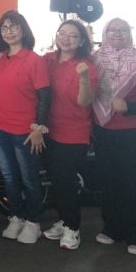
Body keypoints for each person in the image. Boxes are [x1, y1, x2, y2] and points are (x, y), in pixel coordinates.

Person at [92, 18, 136, 256]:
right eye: (112, 30)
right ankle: (113, 228)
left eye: (122, 30)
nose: (117, 34)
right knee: (109, 182)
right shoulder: (95, 60)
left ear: (129, 34)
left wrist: (128, 107)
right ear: (105, 33)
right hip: (104, 130)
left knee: (135, 183)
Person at [0, 10, 51, 244]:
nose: (9, 32)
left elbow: (45, 96)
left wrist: (39, 127)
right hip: (0, 127)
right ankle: (16, 216)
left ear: (23, 30)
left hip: (25, 131)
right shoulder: (1, 59)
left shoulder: (34, 60)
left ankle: (33, 222)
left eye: (14, 27)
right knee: (9, 177)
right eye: (5, 28)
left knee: (29, 178)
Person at [40, 19, 97, 250]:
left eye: (73, 35)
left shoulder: (86, 66)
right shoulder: (48, 60)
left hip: (74, 133)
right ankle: (64, 220)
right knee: (55, 179)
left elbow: (85, 101)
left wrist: (83, 78)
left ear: (82, 41)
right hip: (48, 130)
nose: (66, 38)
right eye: (62, 33)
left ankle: (73, 228)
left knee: (65, 181)